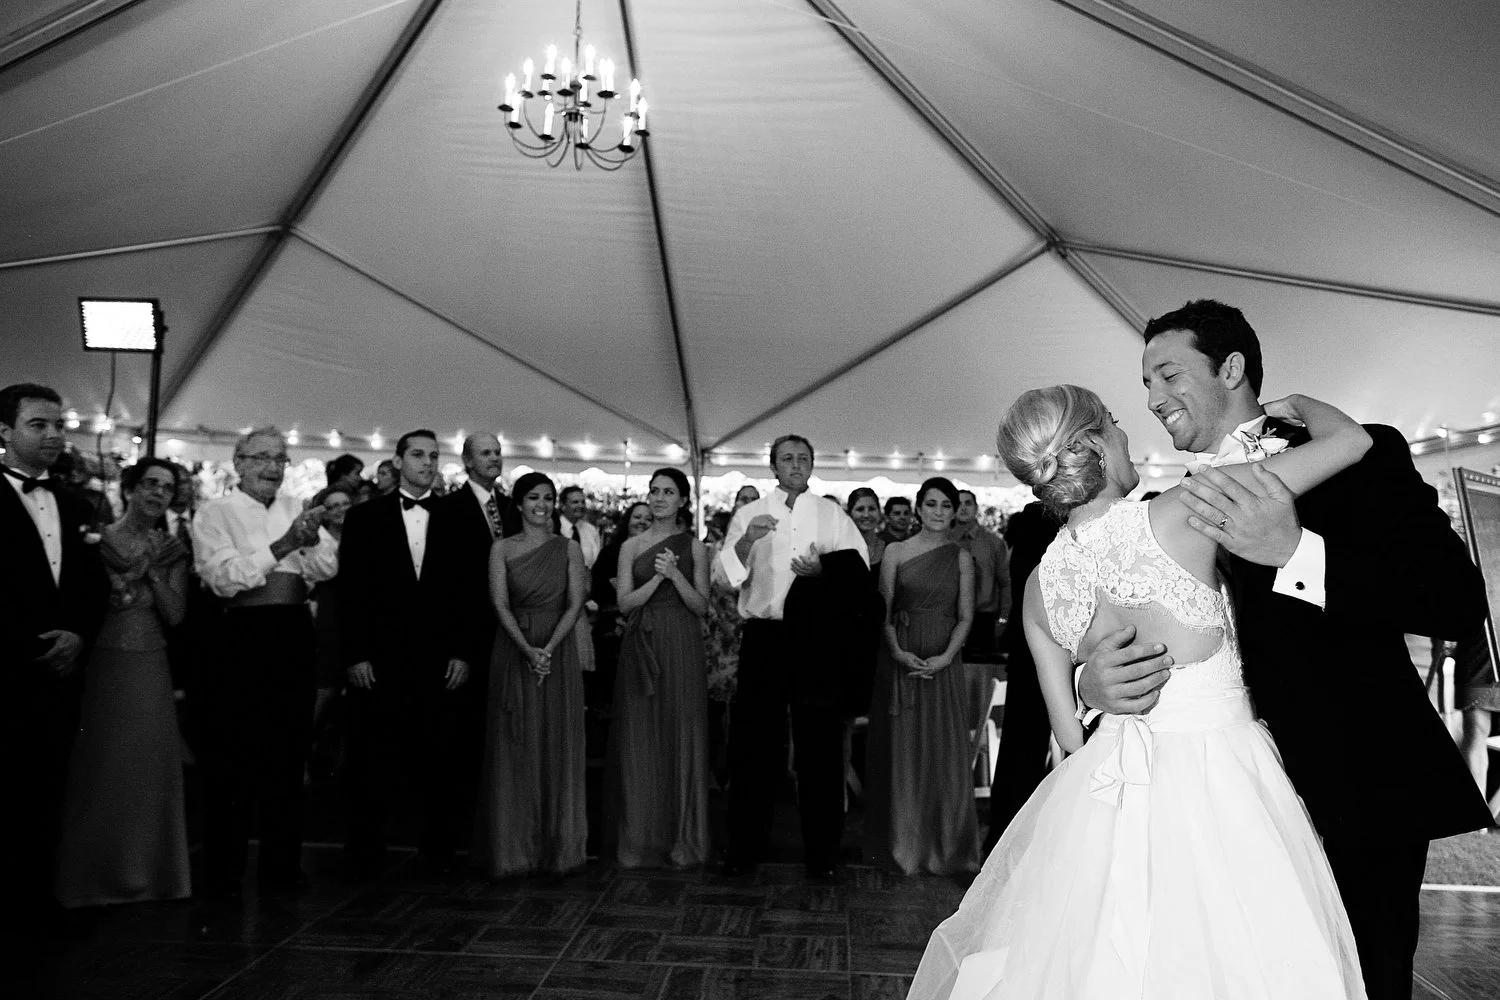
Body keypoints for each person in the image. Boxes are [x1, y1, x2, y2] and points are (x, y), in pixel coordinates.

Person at [1079, 300, 1490, 1000]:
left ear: (1231, 368)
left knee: (1363, 975)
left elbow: (1455, 599)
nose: (1152, 400)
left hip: (1358, 787)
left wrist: (1295, 552)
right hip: (1226, 799)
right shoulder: (1171, 503)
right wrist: (1095, 683)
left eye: (1168, 374)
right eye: (1145, 385)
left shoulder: (1363, 453)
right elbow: (1119, 641)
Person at [911, 384, 1377, 999]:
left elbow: (1070, 739)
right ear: (1095, 445)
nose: (1128, 434)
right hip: (1223, 778)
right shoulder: (1187, 508)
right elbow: (1352, 442)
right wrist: (1297, 407)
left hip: (1107, 799)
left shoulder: (1038, 588)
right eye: (1115, 422)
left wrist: (1089, 689)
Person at [717, 434, 871, 879]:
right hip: (764, 639)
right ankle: (745, 849)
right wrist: (747, 540)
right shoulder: (749, 513)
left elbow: (858, 568)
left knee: (819, 748)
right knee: (753, 746)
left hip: (815, 642)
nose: (796, 464)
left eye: (804, 458)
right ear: (773, 466)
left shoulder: (830, 513)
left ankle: (822, 856)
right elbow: (726, 577)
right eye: (787, 458)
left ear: (812, 465)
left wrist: (824, 571)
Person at [192, 426, 336, 897]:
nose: (273, 467)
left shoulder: (298, 508)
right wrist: (282, 546)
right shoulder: (216, 512)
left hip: (293, 633)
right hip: (243, 637)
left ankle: (281, 866)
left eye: (280, 459)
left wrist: (309, 541)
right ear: (239, 462)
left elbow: (327, 568)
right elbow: (224, 579)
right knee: (234, 755)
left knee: (289, 753)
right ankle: (225, 869)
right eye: (262, 458)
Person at [0, 383, 109, 960]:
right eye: (38, 425)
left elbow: (88, 583)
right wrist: (27, 645)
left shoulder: (72, 502)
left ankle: (38, 903)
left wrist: (77, 634)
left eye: (58, 426)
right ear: (5, 431)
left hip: (63, 670)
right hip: (8, 670)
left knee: (50, 786)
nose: (52, 436)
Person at [55, 458, 191, 907]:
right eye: (150, 484)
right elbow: (95, 601)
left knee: (147, 767)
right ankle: (92, 877)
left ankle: (148, 876)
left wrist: (151, 569)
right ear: (130, 489)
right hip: (103, 660)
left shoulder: (170, 546)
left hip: (150, 661)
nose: (157, 494)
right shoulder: (99, 539)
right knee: (100, 765)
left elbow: (174, 614)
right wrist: (128, 574)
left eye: (167, 488)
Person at [339, 430, 469, 877]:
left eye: (434, 456)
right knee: (373, 753)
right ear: (397, 462)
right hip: (381, 656)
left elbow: (465, 594)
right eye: (418, 455)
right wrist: (355, 654)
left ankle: (438, 851)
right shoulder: (365, 518)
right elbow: (350, 592)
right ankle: (366, 850)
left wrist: (462, 652)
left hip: (437, 655)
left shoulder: (455, 516)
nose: (427, 463)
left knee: (439, 754)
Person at [474, 471, 588, 877]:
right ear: (519, 504)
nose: (542, 504)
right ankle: (514, 848)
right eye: (534, 497)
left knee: (556, 742)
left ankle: (559, 847)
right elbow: (499, 604)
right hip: (513, 647)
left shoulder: (569, 549)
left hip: (557, 648)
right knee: (514, 744)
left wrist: (549, 649)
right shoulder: (500, 549)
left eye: (549, 497)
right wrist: (526, 649)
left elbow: (575, 604)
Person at [864, 476, 978, 876]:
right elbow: (884, 611)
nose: (938, 511)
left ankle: (945, 842)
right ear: (918, 508)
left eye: (945, 505)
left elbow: (967, 617)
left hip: (943, 659)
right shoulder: (895, 551)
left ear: (954, 511)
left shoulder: (962, 556)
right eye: (931, 504)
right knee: (903, 749)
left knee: (942, 749)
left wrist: (947, 656)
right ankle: (902, 842)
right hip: (900, 656)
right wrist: (896, 649)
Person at [606, 469, 711, 868]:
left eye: (668, 492)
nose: (659, 497)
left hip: (681, 641)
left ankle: (682, 837)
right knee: (639, 734)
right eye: (654, 491)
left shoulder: (695, 547)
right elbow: (625, 603)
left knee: (680, 730)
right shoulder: (631, 546)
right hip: (641, 643)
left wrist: (676, 574)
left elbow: (701, 606)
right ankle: (639, 837)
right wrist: (656, 582)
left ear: (683, 500)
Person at [438, 433, 521, 828]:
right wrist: (458, 647)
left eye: (498, 453)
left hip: (511, 633)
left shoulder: (511, 508)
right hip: (470, 638)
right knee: (467, 731)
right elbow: (447, 587)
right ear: (467, 462)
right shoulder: (449, 509)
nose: (494, 459)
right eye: (486, 454)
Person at [980, 500, 1060, 850]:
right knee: (1022, 751)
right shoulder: (1038, 518)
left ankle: (1015, 840)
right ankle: (1011, 842)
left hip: (1039, 648)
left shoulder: (1038, 518)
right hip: (1037, 648)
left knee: (1022, 750)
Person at [306, 485, 353, 782]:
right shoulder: (315, 540)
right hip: (326, 616)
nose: (340, 510)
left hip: (352, 617)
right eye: (333, 505)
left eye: (345, 504)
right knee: (323, 692)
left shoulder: (363, 534)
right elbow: (326, 571)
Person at [950, 489, 1010, 662]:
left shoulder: (993, 542)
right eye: (958, 503)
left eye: (968, 503)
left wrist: (1004, 618)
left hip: (984, 618)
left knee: (981, 676)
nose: (963, 508)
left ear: (976, 507)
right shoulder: (944, 541)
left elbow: (1005, 582)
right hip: (949, 616)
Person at [558, 485, 602, 569]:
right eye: (575, 502)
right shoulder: (555, 528)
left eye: (583, 502)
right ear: (563, 505)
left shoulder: (591, 530)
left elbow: (596, 561)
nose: (580, 506)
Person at [846, 487, 886, 570]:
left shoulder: (889, 549)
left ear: (879, 512)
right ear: (850, 514)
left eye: (872, 509)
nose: (866, 515)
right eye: (860, 509)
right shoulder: (841, 548)